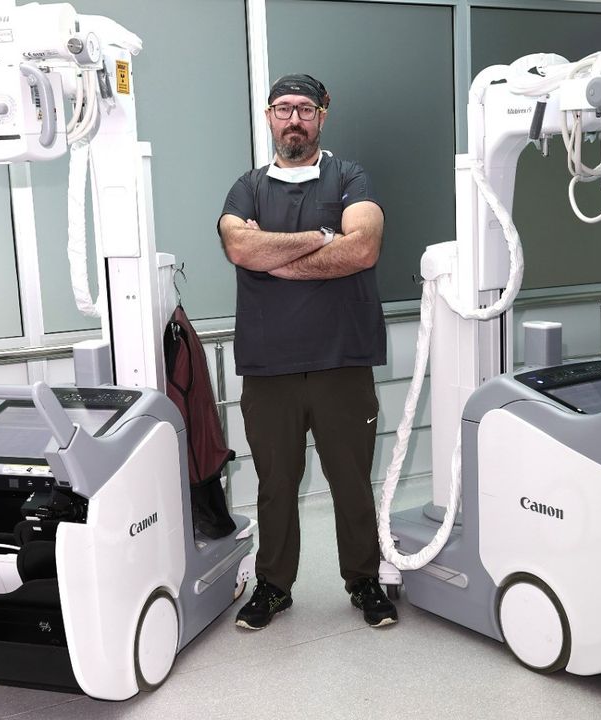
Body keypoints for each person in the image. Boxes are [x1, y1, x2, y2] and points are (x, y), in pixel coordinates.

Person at [217, 74, 396, 630]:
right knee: (275, 487)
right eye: (283, 109)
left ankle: (364, 581)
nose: (293, 119)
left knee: (351, 481)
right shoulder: (248, 187)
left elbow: (363, 249)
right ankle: (273, 587)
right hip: (269, 364)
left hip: (342, 359)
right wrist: (322, 237)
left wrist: (273, 257)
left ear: (322, 115)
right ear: (269, 116)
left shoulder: (350, 177)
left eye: (305, 109)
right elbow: (239, 245)